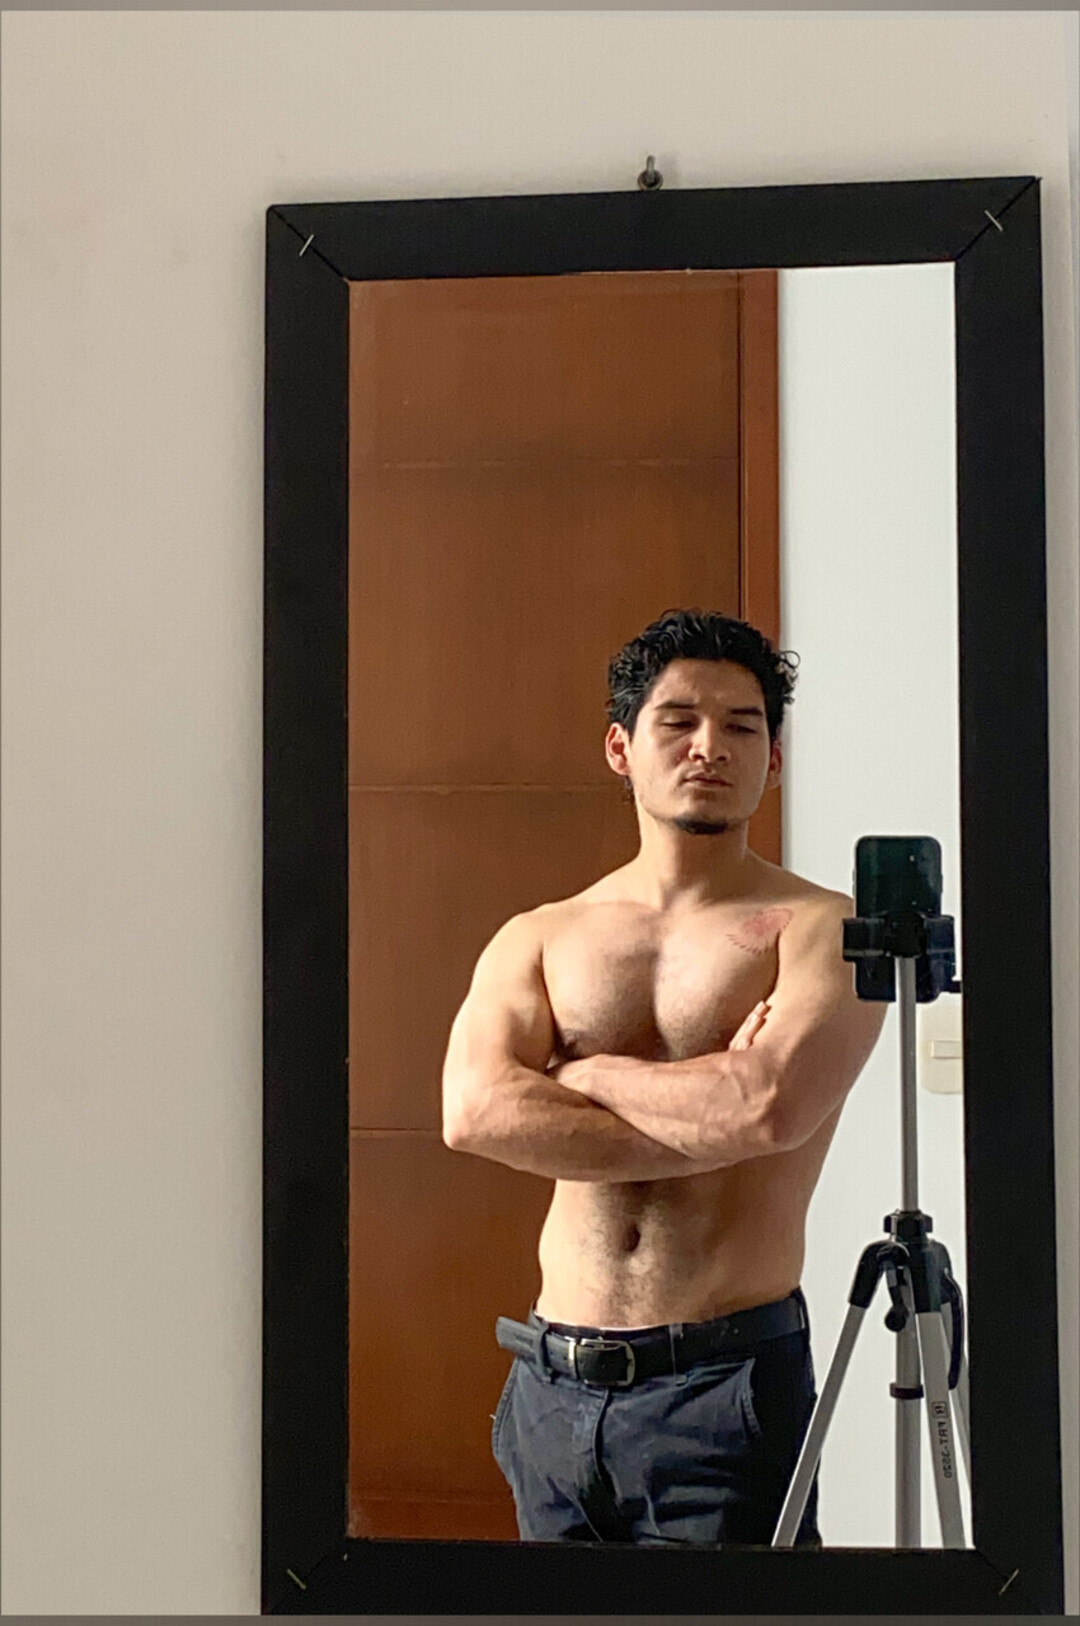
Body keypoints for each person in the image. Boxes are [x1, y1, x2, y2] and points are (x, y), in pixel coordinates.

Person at [441, 608, 887, 1547]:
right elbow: (476, 1110)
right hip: (551, 1382)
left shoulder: (826, 929)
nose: (709, 746)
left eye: (742, 727)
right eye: (678, 721)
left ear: (773, 760)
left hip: (724, 1384)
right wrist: (711, 1109)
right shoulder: (542, 934)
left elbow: (768, 1108)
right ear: (622, 747)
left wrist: (585, 1071)